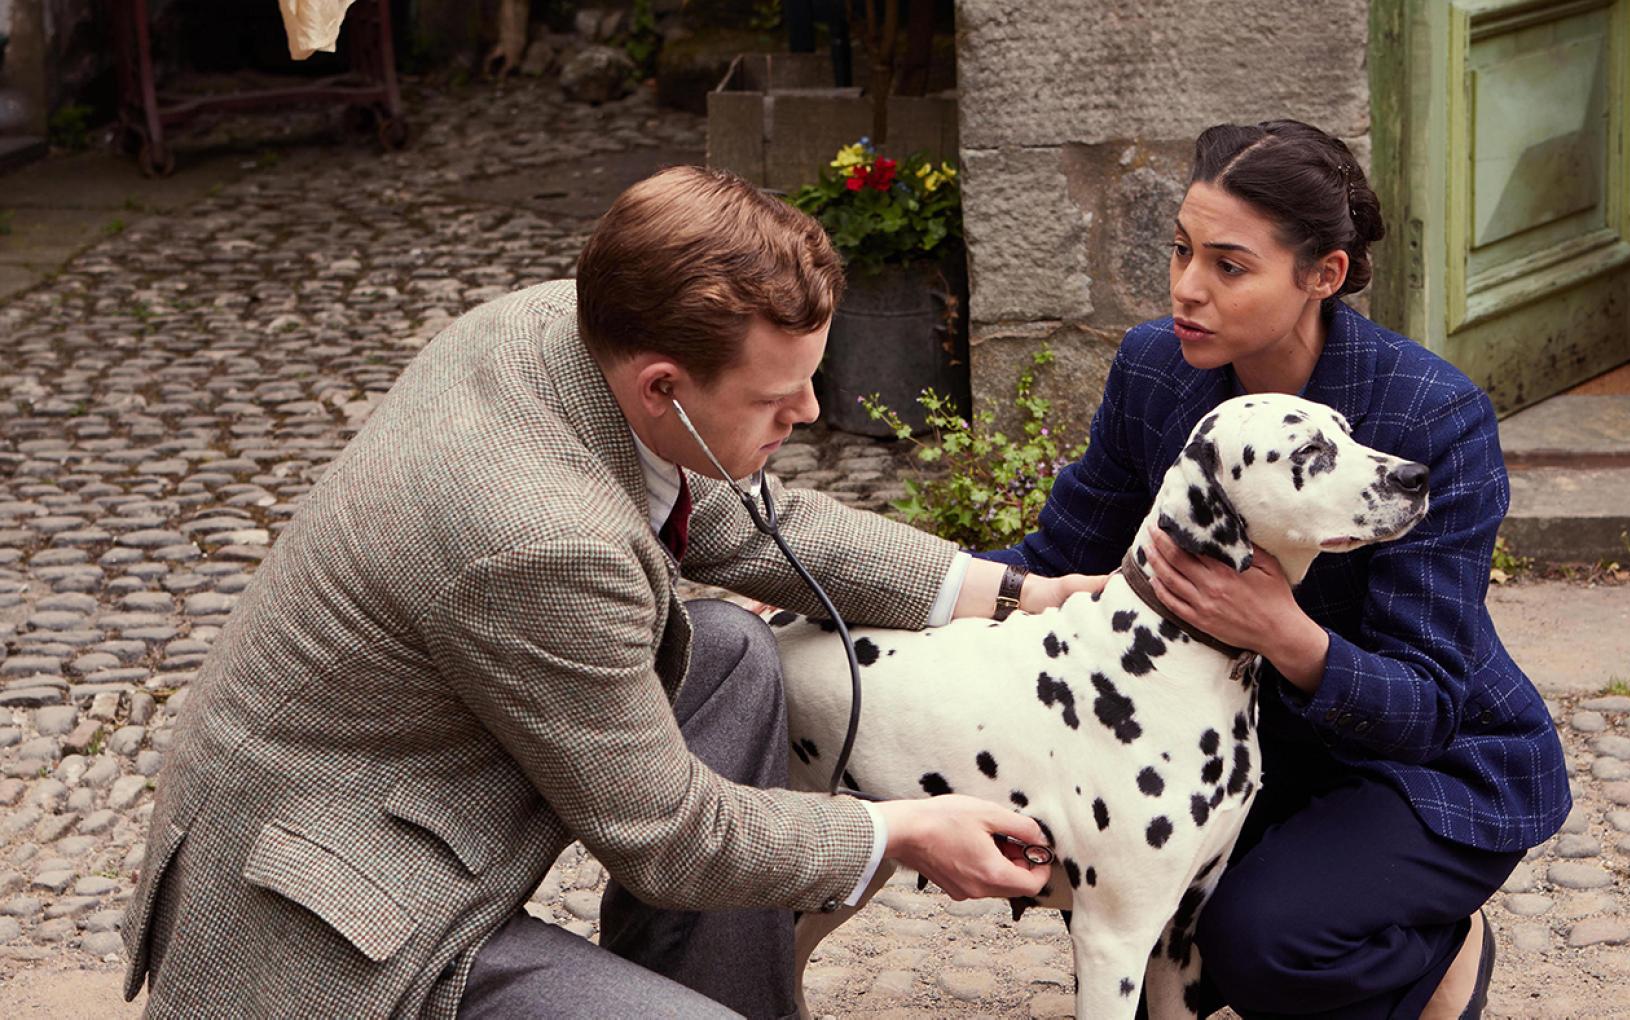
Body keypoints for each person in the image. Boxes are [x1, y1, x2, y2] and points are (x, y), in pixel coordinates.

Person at [120, 165, 1105, 1019]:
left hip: (392, 789)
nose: (809, 412)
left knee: (730, 661)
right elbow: (669, 837)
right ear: (663, 387)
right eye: (776, 399)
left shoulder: (575, 325)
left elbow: (751, 518)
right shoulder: (547, 542)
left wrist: (1022, 595)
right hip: (330, 914)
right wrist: (903, 830)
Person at [976, 120, 1571, 1018]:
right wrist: (865, 594)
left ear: (1322, 276)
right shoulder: (1154, 373)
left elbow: (1430, 702)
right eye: (1180, 252)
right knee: (1136, 919)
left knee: (1259, 947)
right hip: (1231, 744)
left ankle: (1436, 954)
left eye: (1229, 265)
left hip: (1430, 763)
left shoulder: (1429, 420)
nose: (1186, 289)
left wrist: (1285, 635)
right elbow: (1052, 564)